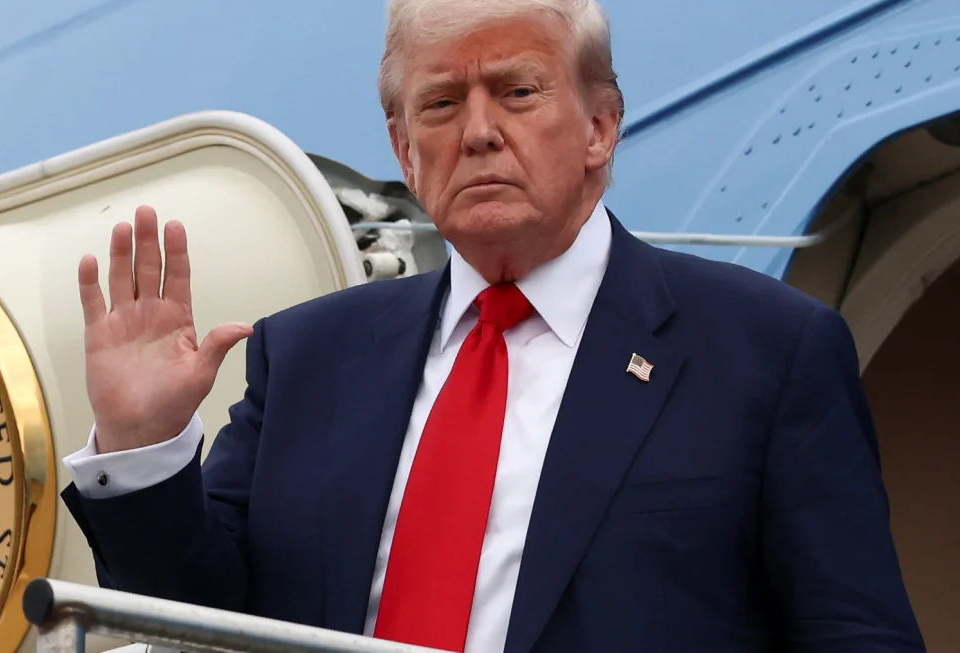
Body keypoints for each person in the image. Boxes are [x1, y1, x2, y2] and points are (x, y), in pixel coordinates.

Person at [59, 0, 926, 651]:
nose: (478, 132)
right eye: (439, 105)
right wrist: (144, 445)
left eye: (516, 91)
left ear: (598, 127)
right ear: (403, 151)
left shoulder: (766, 352)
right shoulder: (305, 358)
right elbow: (194, 622)